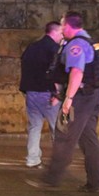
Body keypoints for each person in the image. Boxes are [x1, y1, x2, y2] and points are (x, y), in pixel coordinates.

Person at [27, 11, 99, 193]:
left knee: (64, 136)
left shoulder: (76, 44)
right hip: (93, 95)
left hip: (80, 97)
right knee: (89, 139)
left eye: (63, 26)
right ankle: (95, 182)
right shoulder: (91, 42)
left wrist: (68, 99)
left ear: (69, 26)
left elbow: (77, 72)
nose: (61, 30)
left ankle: (51, 179)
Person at [20, 21, 63, 169]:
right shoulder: (55, 49)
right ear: (55, 32)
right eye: (61, 33)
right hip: (48, 93)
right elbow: (56, 72)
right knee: (56, 128)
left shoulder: (31, 48)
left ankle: (32, 158)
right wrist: (58, 93)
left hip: (31, 92)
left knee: (34, 126)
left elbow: (25, 68)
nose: (62, 36)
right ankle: (58, 160)